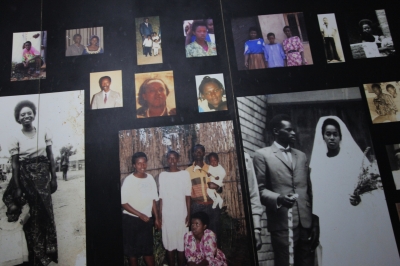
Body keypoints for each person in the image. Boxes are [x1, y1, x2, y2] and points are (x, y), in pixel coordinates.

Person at [309, 116, 400, 266]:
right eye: (328, 134)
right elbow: (317, 196)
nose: (332, 138)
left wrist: (359, 199)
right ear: (322, 136)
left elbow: (372, 187)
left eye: (335, 134)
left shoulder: (355, 160)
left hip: (354, 216)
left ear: (340, 136)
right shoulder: (318, 166)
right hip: (331, 220)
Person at [253, 114, 319, 266]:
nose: (293, 133)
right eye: (288, 130)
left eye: (293, 130)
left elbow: (309, 191)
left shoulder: (301, 156)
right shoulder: (262, 155)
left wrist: (314, 223)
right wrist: (279, 198)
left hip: (306, 225)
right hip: (282, 224)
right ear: (276, 131)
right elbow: (260, 190)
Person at [3, 100, 58, 266]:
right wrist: (18, 187)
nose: (26, 116)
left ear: (33, 115)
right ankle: (36, 255)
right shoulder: (15, 137)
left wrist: (54, 178)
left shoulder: (44, 132)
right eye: (22, 114)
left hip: (43, 177)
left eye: (29, 113)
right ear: (18, 118)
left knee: (46, 213)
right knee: (31, 215)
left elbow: (51, 156)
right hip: (25, 178)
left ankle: (50, 252)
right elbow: (15, 164)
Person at [121, 152, 161, 266]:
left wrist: (157, 218)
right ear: (134, 165)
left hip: (147, 220)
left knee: (148, 251)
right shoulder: (129, 180)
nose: (142, 166)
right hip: (131, 220)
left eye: (144, 163)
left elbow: (153, 200)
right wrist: (140, 215)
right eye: (139, 163)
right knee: (132, 253)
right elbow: (123, 203)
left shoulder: (150, 179)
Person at [159, 151, 191, 266]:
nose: (172, 161)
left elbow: (188, 196)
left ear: (178, 159)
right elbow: (161, 197)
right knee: (169, 243)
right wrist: (160, 216)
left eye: (174, 158)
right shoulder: (163, 176)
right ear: (167, 160)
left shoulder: (184, 174)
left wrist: (188, 214)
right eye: (169, 158)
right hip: (167, 215)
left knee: (181, 244)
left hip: (181, 214)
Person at [186, 144, 221, 241]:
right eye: (196, 151)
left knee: (215, 234)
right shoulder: (187, 172)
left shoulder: (212, 169)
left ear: (204, 153)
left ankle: (215, 255)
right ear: (193, 153)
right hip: (197, 206)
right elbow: (186, 192)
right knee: (198, 235)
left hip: (213, 205)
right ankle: (199, 255)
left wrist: (217, 187)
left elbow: (221, 188)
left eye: (200, 151)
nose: (198, 153)